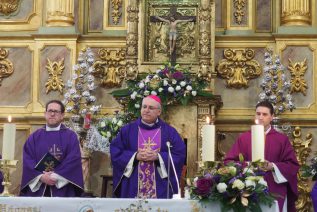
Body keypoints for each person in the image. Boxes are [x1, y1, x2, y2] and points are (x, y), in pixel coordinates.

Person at [224, 101, 299, 212]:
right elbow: (229, 161)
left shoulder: (281, 139)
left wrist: (272, 166)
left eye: (264, 114)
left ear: (272, 117)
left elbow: (292, 165)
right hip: (247, 191)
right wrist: (249, 165)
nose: (260, 117)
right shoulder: (244, 138)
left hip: (274, 190)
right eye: (258, 113)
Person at [110, 95, 186, 198]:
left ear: (159, 112)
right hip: (132, 185)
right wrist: (135, 156)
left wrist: (158, 157)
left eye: (151, 108)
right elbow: (115, 152)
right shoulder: (128, 130)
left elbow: (179, 155)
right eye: (144, 107)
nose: (146, 110)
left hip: (161, 185)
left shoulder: (169, 132)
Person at [20, 100, 84, 197]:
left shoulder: (70, 136)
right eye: (50, 111)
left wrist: (54, 176)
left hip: (62, 188)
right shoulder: (34, 137)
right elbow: (28, 160)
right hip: (38, 189)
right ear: (45, 114)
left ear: (62, 115)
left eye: (56, 111)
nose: (52, 114)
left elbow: (73, 160)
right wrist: (41, 177)